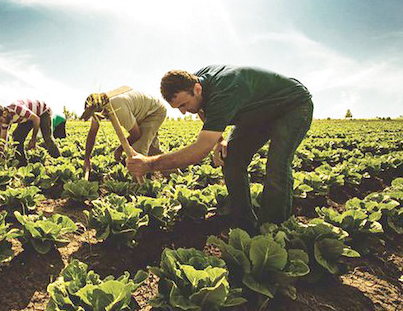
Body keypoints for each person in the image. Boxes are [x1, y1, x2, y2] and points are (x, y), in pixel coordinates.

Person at [126, 65, 313, 230]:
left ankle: (274, 228)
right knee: (230, 159)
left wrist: (150, 164)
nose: (184, 112)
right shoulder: (197, 83)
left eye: (184, 104)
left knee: (277, 164)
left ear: (197, 89)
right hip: (256, 113)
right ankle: (245, 224)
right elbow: (202, 109)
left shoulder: (225, 90)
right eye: (178, 108)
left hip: (292, 107)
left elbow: (200, 150)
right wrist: (219, 140)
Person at [80, 89, 167, 176]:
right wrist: (87, 158)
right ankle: (173, 172)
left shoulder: (117, 108)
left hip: (154, 111)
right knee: (152, 149)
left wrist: (120, 149)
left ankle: (137, 185)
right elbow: (92, 133)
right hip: (142, 112)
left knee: (138, 149)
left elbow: (136, 134)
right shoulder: (99, 108)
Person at [0, 99, 61, 166]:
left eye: (0, 120)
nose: (1, 123)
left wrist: (33, 139)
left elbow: (36, 119)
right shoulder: (5, 120)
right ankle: (22, 164)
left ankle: (58, 160)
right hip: (28, 117)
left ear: (4, 113)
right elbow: (3, 140)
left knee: (47, 138)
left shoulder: (17, 108)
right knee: (17, 137)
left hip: (43, 111)